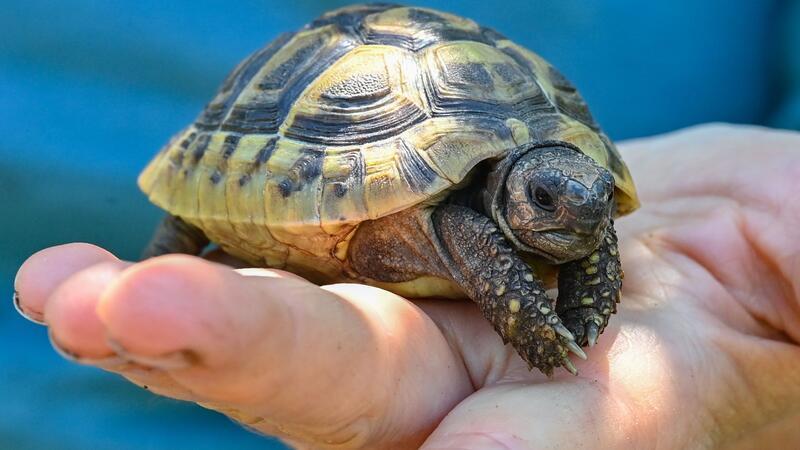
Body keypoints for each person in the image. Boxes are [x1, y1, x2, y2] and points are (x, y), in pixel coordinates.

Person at [14, 123, 800, 448]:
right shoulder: (468, 217)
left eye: (590, 201)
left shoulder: (572, 204)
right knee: (169, 264)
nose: (577, 220)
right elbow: (476, 239)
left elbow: (588, 226)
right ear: (506, 190)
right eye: (548, 204)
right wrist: (532, 322)